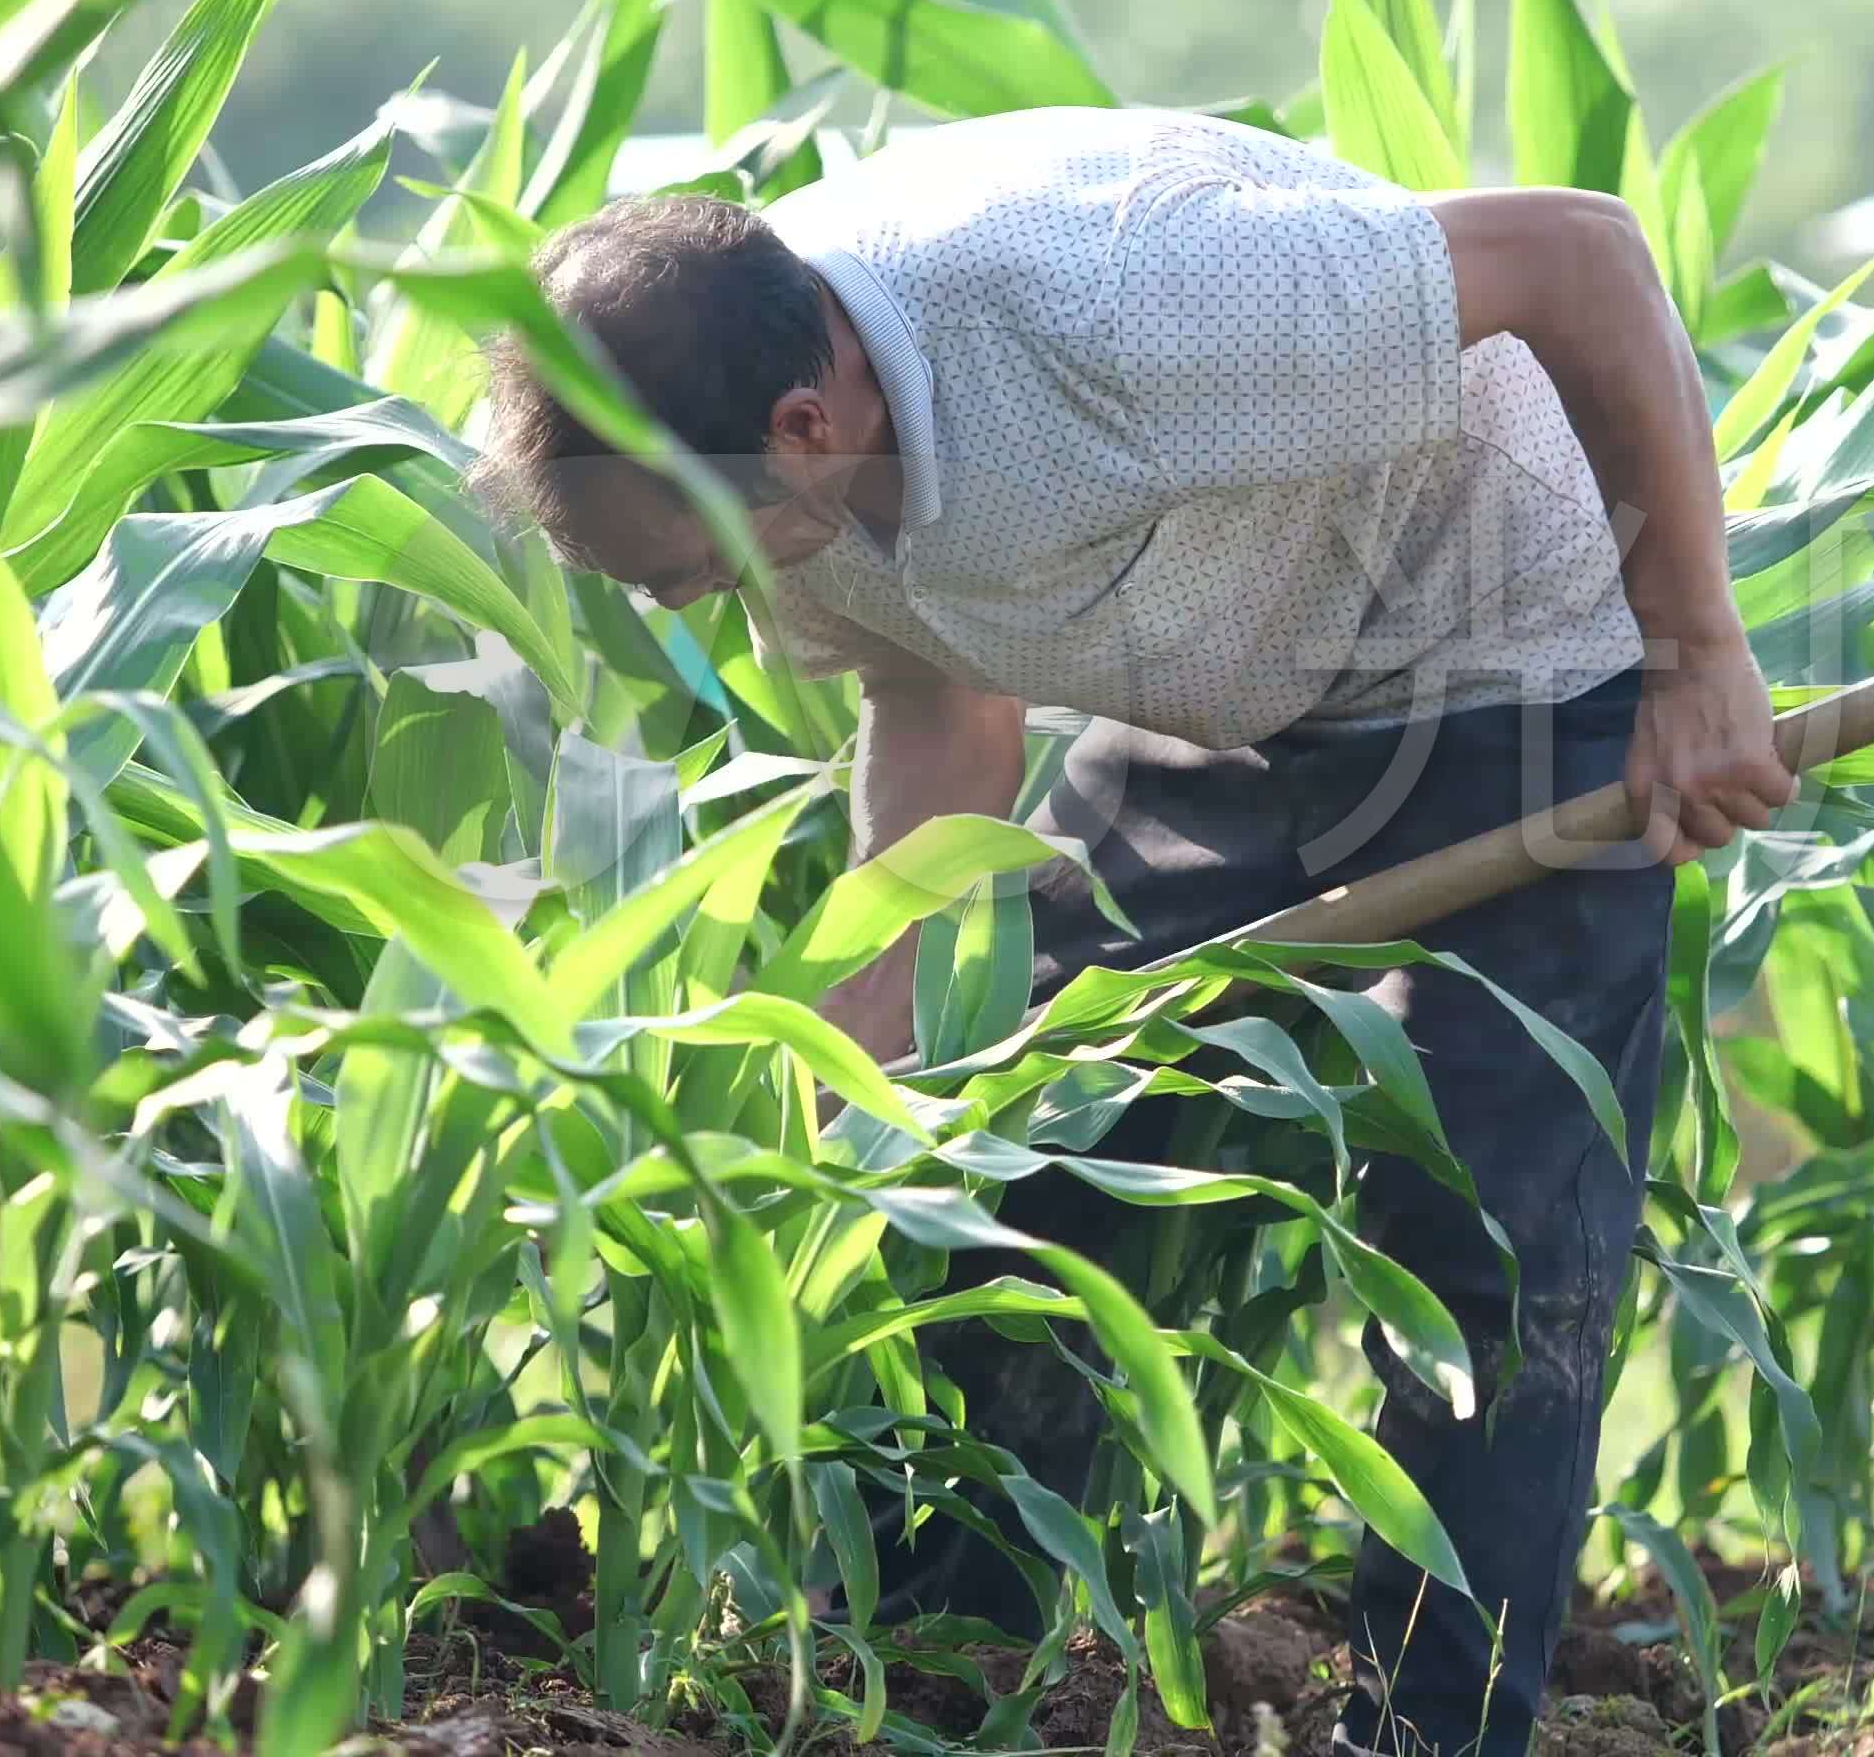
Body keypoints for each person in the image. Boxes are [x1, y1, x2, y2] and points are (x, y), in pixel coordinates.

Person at [473, 106, 1793, 1757]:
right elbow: (934, 692)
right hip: (1219, 668)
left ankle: (1429, 1733)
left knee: (1490, 1242)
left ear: (808, 426)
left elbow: (1579, 256)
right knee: (1015, 1155)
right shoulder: (758, 419)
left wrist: (1693, 659)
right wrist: (865, 1048)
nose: (670, 606)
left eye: (676, 567)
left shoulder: (1110, 313)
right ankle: (937, 1681)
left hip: (1500, 644)